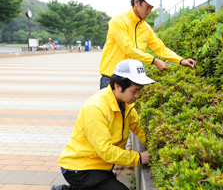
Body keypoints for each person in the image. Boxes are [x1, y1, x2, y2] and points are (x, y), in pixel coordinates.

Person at [52, 59, 154, 190]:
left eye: (140, 90)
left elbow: (140, 128)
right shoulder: (95, 108)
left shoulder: (126, 105)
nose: (138, 95)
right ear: (118, 86)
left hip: (101, 165)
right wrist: (138, 158)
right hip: (80, 167)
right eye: (134, 91)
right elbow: (105, 150)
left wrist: (158, 148)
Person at [99, 0, 197, 89]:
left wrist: (181, 60)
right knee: (109, 105)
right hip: (111, 78)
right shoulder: (119, 21)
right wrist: (154, 61)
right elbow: (128, 48)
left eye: (152, 8)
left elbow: (160, 48)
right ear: (136, 2)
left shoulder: (146, 28)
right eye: (148, 6)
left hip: (131, 79)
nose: (149, 11)